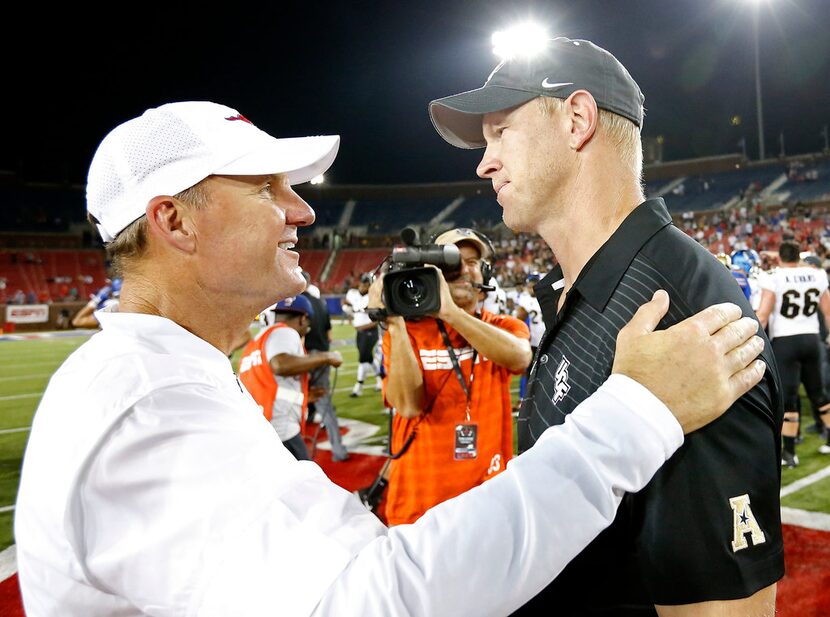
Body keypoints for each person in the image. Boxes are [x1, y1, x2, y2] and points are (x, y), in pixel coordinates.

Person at [14, 101, 766, 616]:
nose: (303, 209)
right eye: (265, 188)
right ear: (173, 221)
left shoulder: (161, 379)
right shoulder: (147, 401)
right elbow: (377, 599)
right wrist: (637, 414)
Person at [429, 37, 784, 616]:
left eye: (501, 132)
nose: (483, 161)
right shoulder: (584, 291)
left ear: (576, 120)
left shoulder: (674, 313)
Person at [375, 228, 531, 525]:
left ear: (485, 274)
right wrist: (394, 321)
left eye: (472, 261)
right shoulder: (407, 331)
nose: (462, 267)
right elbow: (408, 406)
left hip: (488, 501)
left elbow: (520, 357)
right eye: (451, 260)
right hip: (419, 506)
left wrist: (451, 313)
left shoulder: (504, 326)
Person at [238, 294, 342, 461]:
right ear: (303, 319)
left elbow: (268, 384)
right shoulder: (285, 332)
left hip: (258, 423)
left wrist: (304, 397)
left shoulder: (259, 339)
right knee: (304, 481)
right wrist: (327, 357)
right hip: (280, 427)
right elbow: (280, 365)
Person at [756, 240, 830, 462]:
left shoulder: (774, 277)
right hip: (811, 338)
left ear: (780, 258)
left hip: (785, 342)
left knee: (788, 399)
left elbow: (763, 315)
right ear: (798, 256)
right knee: (819, 394)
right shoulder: (816, 275)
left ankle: (789, 453)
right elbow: (827, 311)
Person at [301, 271, 349, 461]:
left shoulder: (296, 302)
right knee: (325, 405)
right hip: (323, 356)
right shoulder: (320, 303)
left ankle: (294, 454)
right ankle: (339, 450)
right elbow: (329, 335)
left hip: (303, 357)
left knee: (292, 402)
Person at [343, 272, 382, 396]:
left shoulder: (374, 297)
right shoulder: (354, 295)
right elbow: (348, 306)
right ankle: (380, 379)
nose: (363, 286)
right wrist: (347, 308)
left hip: (370, 331)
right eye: (362, 283)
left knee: (363, 359)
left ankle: (358, 387)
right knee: (368, 358)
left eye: (366, 283)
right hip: (360, 332)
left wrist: (362, 326)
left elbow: (378, 320)